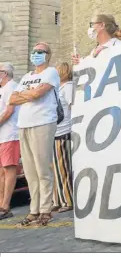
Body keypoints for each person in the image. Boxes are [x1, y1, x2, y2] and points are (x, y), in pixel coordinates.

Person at [9, 42, 60, 227]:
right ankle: (34, 210)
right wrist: (28, 94)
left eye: (40, 51)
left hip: (43, 123)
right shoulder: (27, 76)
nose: (36, 54)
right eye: (34, 51)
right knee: (30, 171)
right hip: (24, 124)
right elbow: (12, 99)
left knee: (42, 169)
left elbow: (38, 93)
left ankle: (46, 208)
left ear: (48, 55)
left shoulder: (50, 72)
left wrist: (28, 94)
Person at [52, 62, 73, 213]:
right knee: (55, 170)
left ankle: (68, 199)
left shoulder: (68, 87)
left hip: (64, 131)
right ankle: (57, 199)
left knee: (64, 167)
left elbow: (73, 107)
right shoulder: (57, 89)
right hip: (54, 132)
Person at [0, 63, 20, 220]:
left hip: (10, 135)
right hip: (2, 136)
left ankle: (5, 206)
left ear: (4, 73)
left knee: (9, 169)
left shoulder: (12, 87)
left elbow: (9, 111)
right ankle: (1, 204)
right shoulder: (2, 90)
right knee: (1, 172)